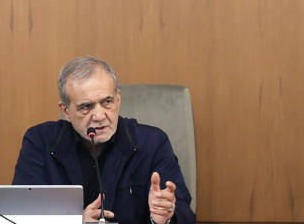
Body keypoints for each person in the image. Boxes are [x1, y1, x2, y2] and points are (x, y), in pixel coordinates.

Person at [12, 56, 196, 224]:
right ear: (66, 111)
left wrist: (163, 218)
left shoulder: (153, 143)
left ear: (118, 99)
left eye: (107, 102)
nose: (99, 116)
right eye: (86, 106)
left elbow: (186, 216)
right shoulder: (39, 142)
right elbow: (19, 216)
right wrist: (73, 222)